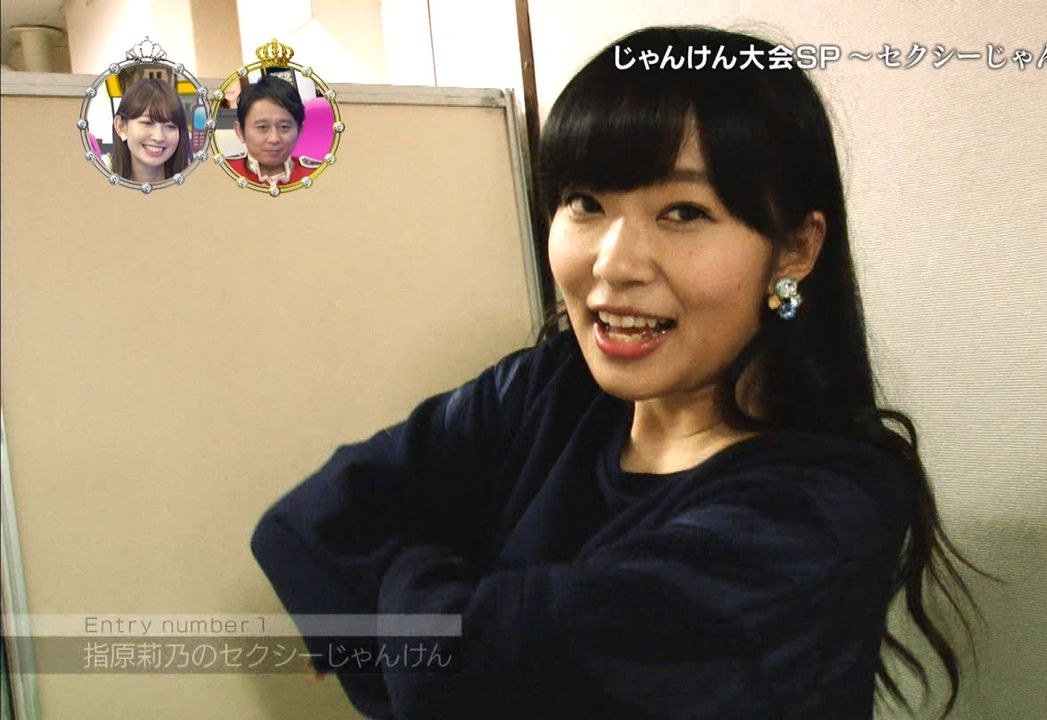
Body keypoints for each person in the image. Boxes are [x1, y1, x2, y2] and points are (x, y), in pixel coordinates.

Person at [251, 25, 995, 720]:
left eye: (684, 212)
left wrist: (402, 597)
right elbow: (303, 525)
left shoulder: (822, 508)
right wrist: (449, 619)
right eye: (585, 202)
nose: (613, 264)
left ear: (796, 249)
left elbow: (456, 678)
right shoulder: (551, 390)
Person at [226, 75, 315, 188]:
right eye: (262, 127)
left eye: (284, 127)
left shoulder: (316, 175)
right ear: (240, 131)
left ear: (299, 131)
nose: (274, 139)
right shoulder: (223, 172)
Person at [108, 77, 192, 183]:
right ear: (121, 127)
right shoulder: (99, 178)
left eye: (170, 126)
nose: (159, 137)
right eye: (147, 123)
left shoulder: (195, 182)